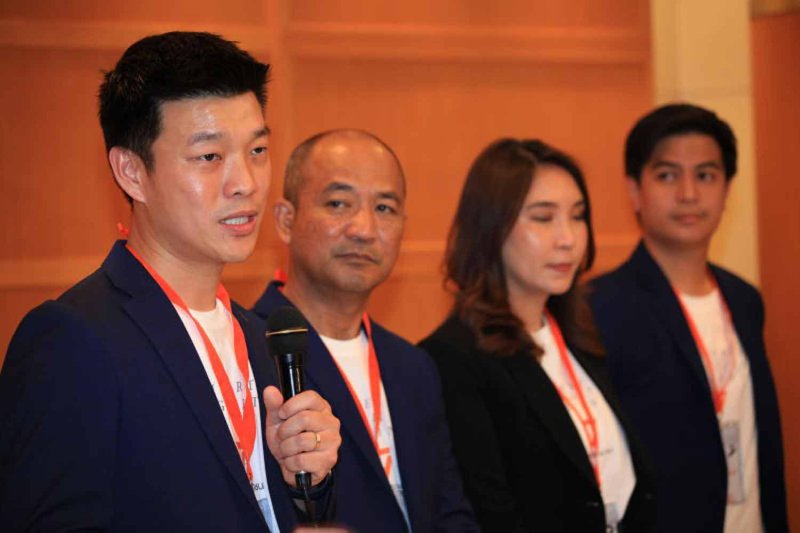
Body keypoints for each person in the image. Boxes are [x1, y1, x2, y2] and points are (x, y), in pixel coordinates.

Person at [0, 32, 341, 532]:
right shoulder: (73, 339)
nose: (245, 182)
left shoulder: (262, 336)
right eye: (209, 157)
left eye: (258, 149)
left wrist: (306, 481)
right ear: (131, 172)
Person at [419, 138, 656, 533]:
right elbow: (489, 512)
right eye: (543, 218)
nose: (567, 238)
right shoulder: (453, 359)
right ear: (491, 229)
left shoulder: (581, 336)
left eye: (578, 216)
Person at [252, 129, 478, 533]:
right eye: (338, 203)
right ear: (286, 221)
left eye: (385, 208)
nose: (364, 229)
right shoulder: (248, 352)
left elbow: (450, 512)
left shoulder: (414, 365)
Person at [589, 103, 788, 533]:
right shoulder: (600, 308)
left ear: (727, 188)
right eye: (666, 175)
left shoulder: (745, 300)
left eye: (705, 175)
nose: (688, 194)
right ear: (634, 189)